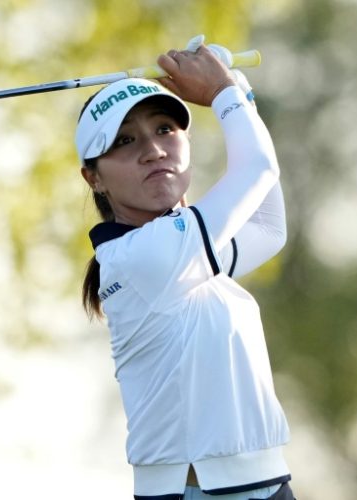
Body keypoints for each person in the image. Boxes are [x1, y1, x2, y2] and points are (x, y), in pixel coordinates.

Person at [75, 40, 295, 500]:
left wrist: (239, 90)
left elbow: (269, 228)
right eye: (125, 141)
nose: (154, 151)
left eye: (165, 129)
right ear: (93, 177)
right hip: (206, 493)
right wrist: (223, 92)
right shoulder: (143, 256)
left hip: (257, 485)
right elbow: (257, 169)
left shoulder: (185, 256)